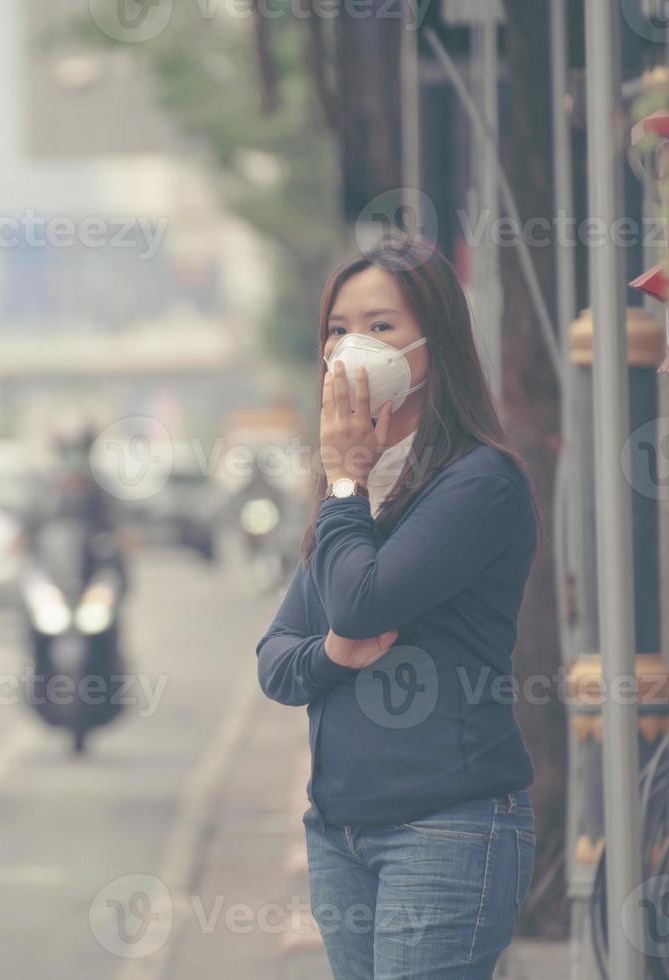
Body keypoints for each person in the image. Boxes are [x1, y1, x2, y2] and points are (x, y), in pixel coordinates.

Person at [256, 239, 538, 979]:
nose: (353, 346)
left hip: (447, 826)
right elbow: (278, 660)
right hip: (342, 832)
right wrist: (331, 656)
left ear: (433, 338)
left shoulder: (478, 484)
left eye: (380, 325)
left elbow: (360, 601)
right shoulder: (355, 487)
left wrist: (345, 483)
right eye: (338, 329)